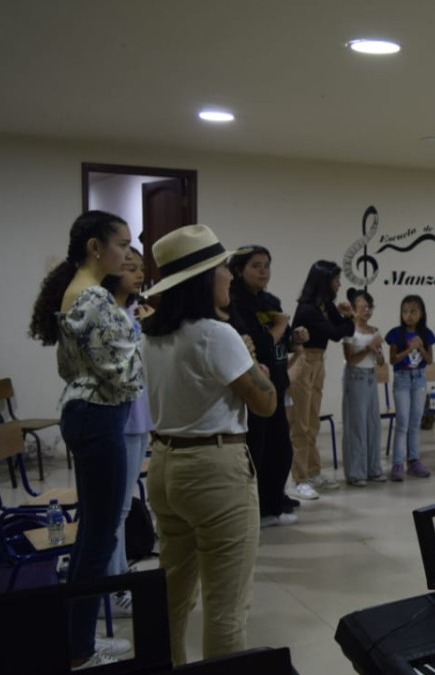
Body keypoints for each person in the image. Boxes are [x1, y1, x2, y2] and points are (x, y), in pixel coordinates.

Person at [141, 224, 276, 664]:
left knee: (173, 596)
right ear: (203, 279)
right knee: (225, 609)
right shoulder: (217, 335)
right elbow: (265, 405)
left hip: (164, 466)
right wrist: (256, 362)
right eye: (222, 269)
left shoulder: (153, 334)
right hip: (214, 471)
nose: (230, 277)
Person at [29, 210, 140, 669]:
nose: (128, 253)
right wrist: (141, 352)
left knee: (91, 538)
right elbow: (124, 373)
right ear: (96, 246)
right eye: (122, 244)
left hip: (87, 412)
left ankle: (78, 641)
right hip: (99, 416)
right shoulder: (93, 297)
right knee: (97, 539)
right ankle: (80, 651)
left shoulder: (78, 290)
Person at [228, 246, 308, 526]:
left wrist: (294, 336)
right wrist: (279, 327)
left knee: (281, 448)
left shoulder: (270, 300)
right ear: (239, 270)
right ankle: (259, 508)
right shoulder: (234, 302)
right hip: (252, 386)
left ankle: (275, 499)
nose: (263, 271)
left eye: (267, 265)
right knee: (258, 448)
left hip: (275, 381)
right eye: (256, 266)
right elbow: (256, 344)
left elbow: (279, 344)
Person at [99, 246, 155, 616]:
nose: (137, 275)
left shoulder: (129, 313)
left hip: (138, 416)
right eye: (129, 268)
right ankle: (114, 588)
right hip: (122, 417)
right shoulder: (109, 314)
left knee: (120, 506)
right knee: (115, 508)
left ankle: (119, 575)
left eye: (140, 269)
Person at [289, 260, 354, 500]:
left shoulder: (326, 305)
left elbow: (345, 329)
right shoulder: (307, 309)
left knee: (312, 422)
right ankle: (299, 479)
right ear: (324, 282)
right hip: (303, 363)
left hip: (318, 363)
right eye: (336, 280)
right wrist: (348, 319)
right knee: (300, 424)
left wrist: (347, 316)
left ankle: (313, 472)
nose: (339, 285)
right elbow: (337, 334)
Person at [386, 294, 435, 481]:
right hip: (402, 379)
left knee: (416, 421)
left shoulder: (426, 334)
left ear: (421, 313)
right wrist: (409, 349)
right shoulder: (396, 334)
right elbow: (393, 360)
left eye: (413, 311)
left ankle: (414, 460)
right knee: (403, 422)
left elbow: (429, 360)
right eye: (405, 311)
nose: (409, 315)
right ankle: (398, 463)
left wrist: (421, 347)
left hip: (419, 379)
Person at [341, 288, 386, 485]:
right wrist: (369, 347)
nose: (367, 311)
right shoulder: (349, 330)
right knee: (356, 425)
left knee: (373, 423)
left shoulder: (375, 330)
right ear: (353, 309)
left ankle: (374, 469)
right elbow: (350, 359)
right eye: (362, 307)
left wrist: (377, 352)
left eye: (369, 307)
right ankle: (356, 473)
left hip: (370, 376)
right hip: (355, 377)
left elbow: (381, 362)